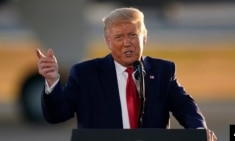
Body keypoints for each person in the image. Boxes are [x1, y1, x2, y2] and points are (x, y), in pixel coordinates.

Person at [36, 7, 217, 140]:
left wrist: (199, 131)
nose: (126, 43)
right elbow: (56, 115)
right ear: (108, 41)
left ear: (144, 37)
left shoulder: (162, 71)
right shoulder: (85, 74)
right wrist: (52, 81)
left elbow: (185, 107)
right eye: (118, 38)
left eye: (132, 35)